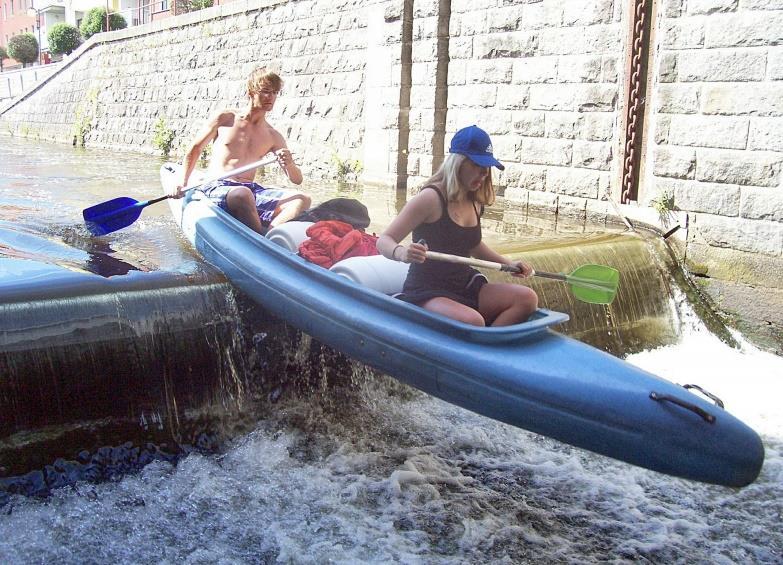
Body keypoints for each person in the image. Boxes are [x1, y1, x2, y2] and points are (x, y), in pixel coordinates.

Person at [376, 125, 538, 327]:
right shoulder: (430, 199)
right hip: (428, 291)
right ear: (458, 163)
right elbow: (384, 241)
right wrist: (402, 253)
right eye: (478, 166)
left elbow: (474, 246)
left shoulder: (475, 200)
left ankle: (488, 347)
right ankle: (480, 346)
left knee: (527, 298)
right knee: (474, 320)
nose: (484, 174)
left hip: (464, 284)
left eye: (486, 168)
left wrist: (509, 264)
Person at [168, 67, 311, 234]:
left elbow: (296, 179)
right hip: (216, 185)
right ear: (250, 92)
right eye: (265, 91)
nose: (270, 97)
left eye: (274, 92)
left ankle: (270, 237)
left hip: (250, 190)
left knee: (303, 200)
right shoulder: (226, 118)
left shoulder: (273, 135)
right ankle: (258, 240)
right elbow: (195, 149)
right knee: (242, 194)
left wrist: (290, 163)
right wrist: (182, 182)